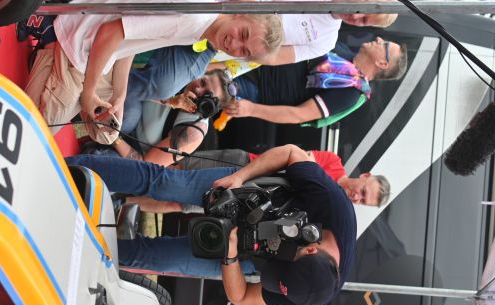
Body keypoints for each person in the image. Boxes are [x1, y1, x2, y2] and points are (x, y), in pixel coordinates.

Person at [66, 145, 357, 305]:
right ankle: (67, 169)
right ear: (311, 248)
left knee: (155, 258)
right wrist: (240, 177)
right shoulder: (334, 206)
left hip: (244, 254)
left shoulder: (306, 294)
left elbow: (241, 296)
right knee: (163, 183)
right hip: (253, 193)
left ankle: (69, 244)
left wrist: (230, 256)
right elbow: (292, 153)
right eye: (290, 261)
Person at [23, 0, 283, 144]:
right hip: (80, 40)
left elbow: (128, 42)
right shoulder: (193, 19)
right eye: (243, 34)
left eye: (243, 51)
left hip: (97, 51)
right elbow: (111, 32)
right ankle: (50, 42)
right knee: (34, 135)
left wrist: (120, 95)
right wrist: (90, 92)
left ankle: (62, 85)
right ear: (240, 10)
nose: (234, 45)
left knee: (108, 132)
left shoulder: (203, 27)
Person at [121, 13, 398, 133]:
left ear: (383, 64)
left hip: (243, 72)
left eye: (365, 20)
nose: (357, 19)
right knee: (158, 49)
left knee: (169, 84)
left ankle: (116, 90)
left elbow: (275, 61)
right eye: (362, 11)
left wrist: (225, 62)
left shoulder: (341, 68)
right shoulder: (344, 54)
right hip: (229, 22)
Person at [225, 37, 408, 127]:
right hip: (253, 59)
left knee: (210, 84)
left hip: (254, 88)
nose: (379, 39)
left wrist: (251, 109)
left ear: (382, 63)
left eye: (384, 45)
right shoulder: (341, 49)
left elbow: (299, 115)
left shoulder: (351, 92)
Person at [91, 70, 233, 167]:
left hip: (132, 150)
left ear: (211, 109)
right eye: (202, 82)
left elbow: (144, 164)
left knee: (96, 159)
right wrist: (171, 101)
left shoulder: (193, 132)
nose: (197, 90)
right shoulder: (181, 74)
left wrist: (114, 136)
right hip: (125, 116)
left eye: (207, 95)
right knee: (131, 112)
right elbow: (132, 83)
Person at [176, 148, 392, 207]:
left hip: (246, 200)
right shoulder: (333, 162)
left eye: (363, 201)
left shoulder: (333, 206)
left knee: (179, 205)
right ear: (365, 175)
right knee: (180, 167)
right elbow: (299, 163)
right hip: (245, 166)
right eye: (363, 191)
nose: (357, 197)